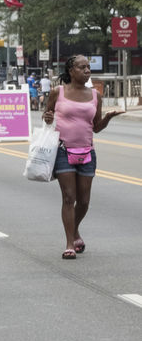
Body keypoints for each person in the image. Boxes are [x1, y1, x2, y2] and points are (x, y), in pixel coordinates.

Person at [43, 55, 123, 260]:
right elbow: (47, 114)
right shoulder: (57, 92)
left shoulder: (95, 96)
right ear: (71, 71)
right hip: (63, 151)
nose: (87, 70)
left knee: (84, 201)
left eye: (88, 67)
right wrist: (48, 117)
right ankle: (70, 242)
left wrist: (107, 118)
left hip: (87, 151)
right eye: (82, 67)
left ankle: (75, 229)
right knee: (69, 198)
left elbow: (95, 127)